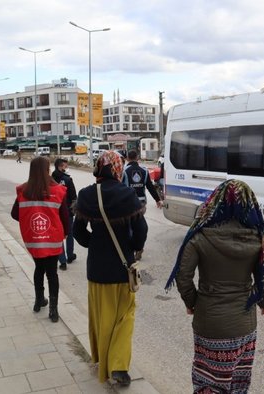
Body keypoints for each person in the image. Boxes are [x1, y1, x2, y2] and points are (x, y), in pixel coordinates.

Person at [165, 179, 264, 394]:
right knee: (238, 384)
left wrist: (193, 303)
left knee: (209, 384)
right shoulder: (259, 237)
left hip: (210, 323)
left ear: (215, 202)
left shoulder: (200, 235)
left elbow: (183, 275)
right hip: (245, 325)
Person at [73, 150, 148, 386]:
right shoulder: (127, 195)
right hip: (122, 268)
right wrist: (134, 247)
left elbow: (77, 231)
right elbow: (141, 231)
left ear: (98, 168)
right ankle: (119, 367)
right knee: (124, 317)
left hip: (97, 268)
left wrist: (93, 243)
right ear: (117, 168)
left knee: (102, 317)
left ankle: (103, 361)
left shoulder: (86, 195)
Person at [11, 156, 69, 323]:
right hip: (52, 238)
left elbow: (15, 214)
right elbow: (65, 217)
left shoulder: (24, 191)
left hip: (34, 239)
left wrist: (29, 220)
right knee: (52, 273)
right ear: (48, 169)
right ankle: (53, 311)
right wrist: (65, 232)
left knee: (39, 268)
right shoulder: (57, 190)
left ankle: (38, 301)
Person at [52, 158, 77, 271]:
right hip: (66, 211)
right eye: (65, 166)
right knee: (69, 233)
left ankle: (62, 261)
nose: (66, 168)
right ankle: (70, 255)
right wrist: (74, 211)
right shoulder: (67, 180)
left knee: (58, 235)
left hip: (54, 211)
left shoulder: (50, 180)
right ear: (60, 167)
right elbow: (73, 197)